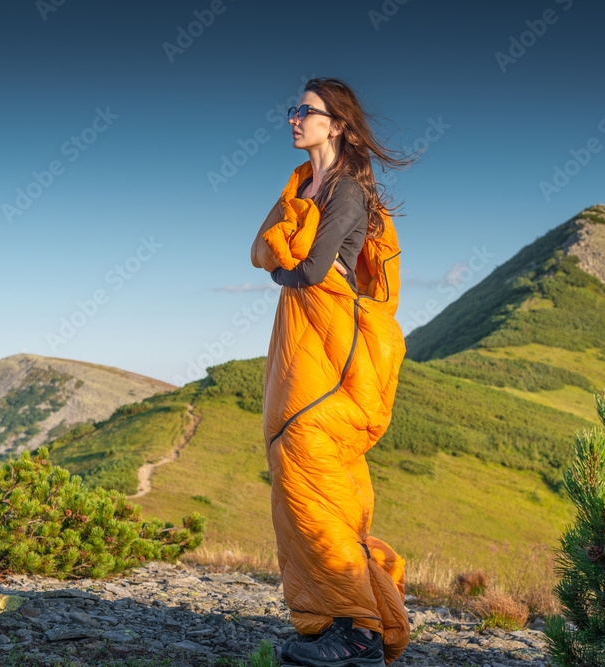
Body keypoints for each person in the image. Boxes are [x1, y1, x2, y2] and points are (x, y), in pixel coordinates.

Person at [250, 77, 419, 666]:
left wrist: (281, 269)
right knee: (299, 485)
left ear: (337, 125)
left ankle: (362, 635)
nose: (294, 118)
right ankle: (333, 619)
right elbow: (266, 250)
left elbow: (313, 267)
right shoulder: (305, 186)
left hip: (329, 349)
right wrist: (282, 266)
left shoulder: (344, 192)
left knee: (314, 475)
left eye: (307, 111)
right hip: (302, 345)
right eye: (293, 108)